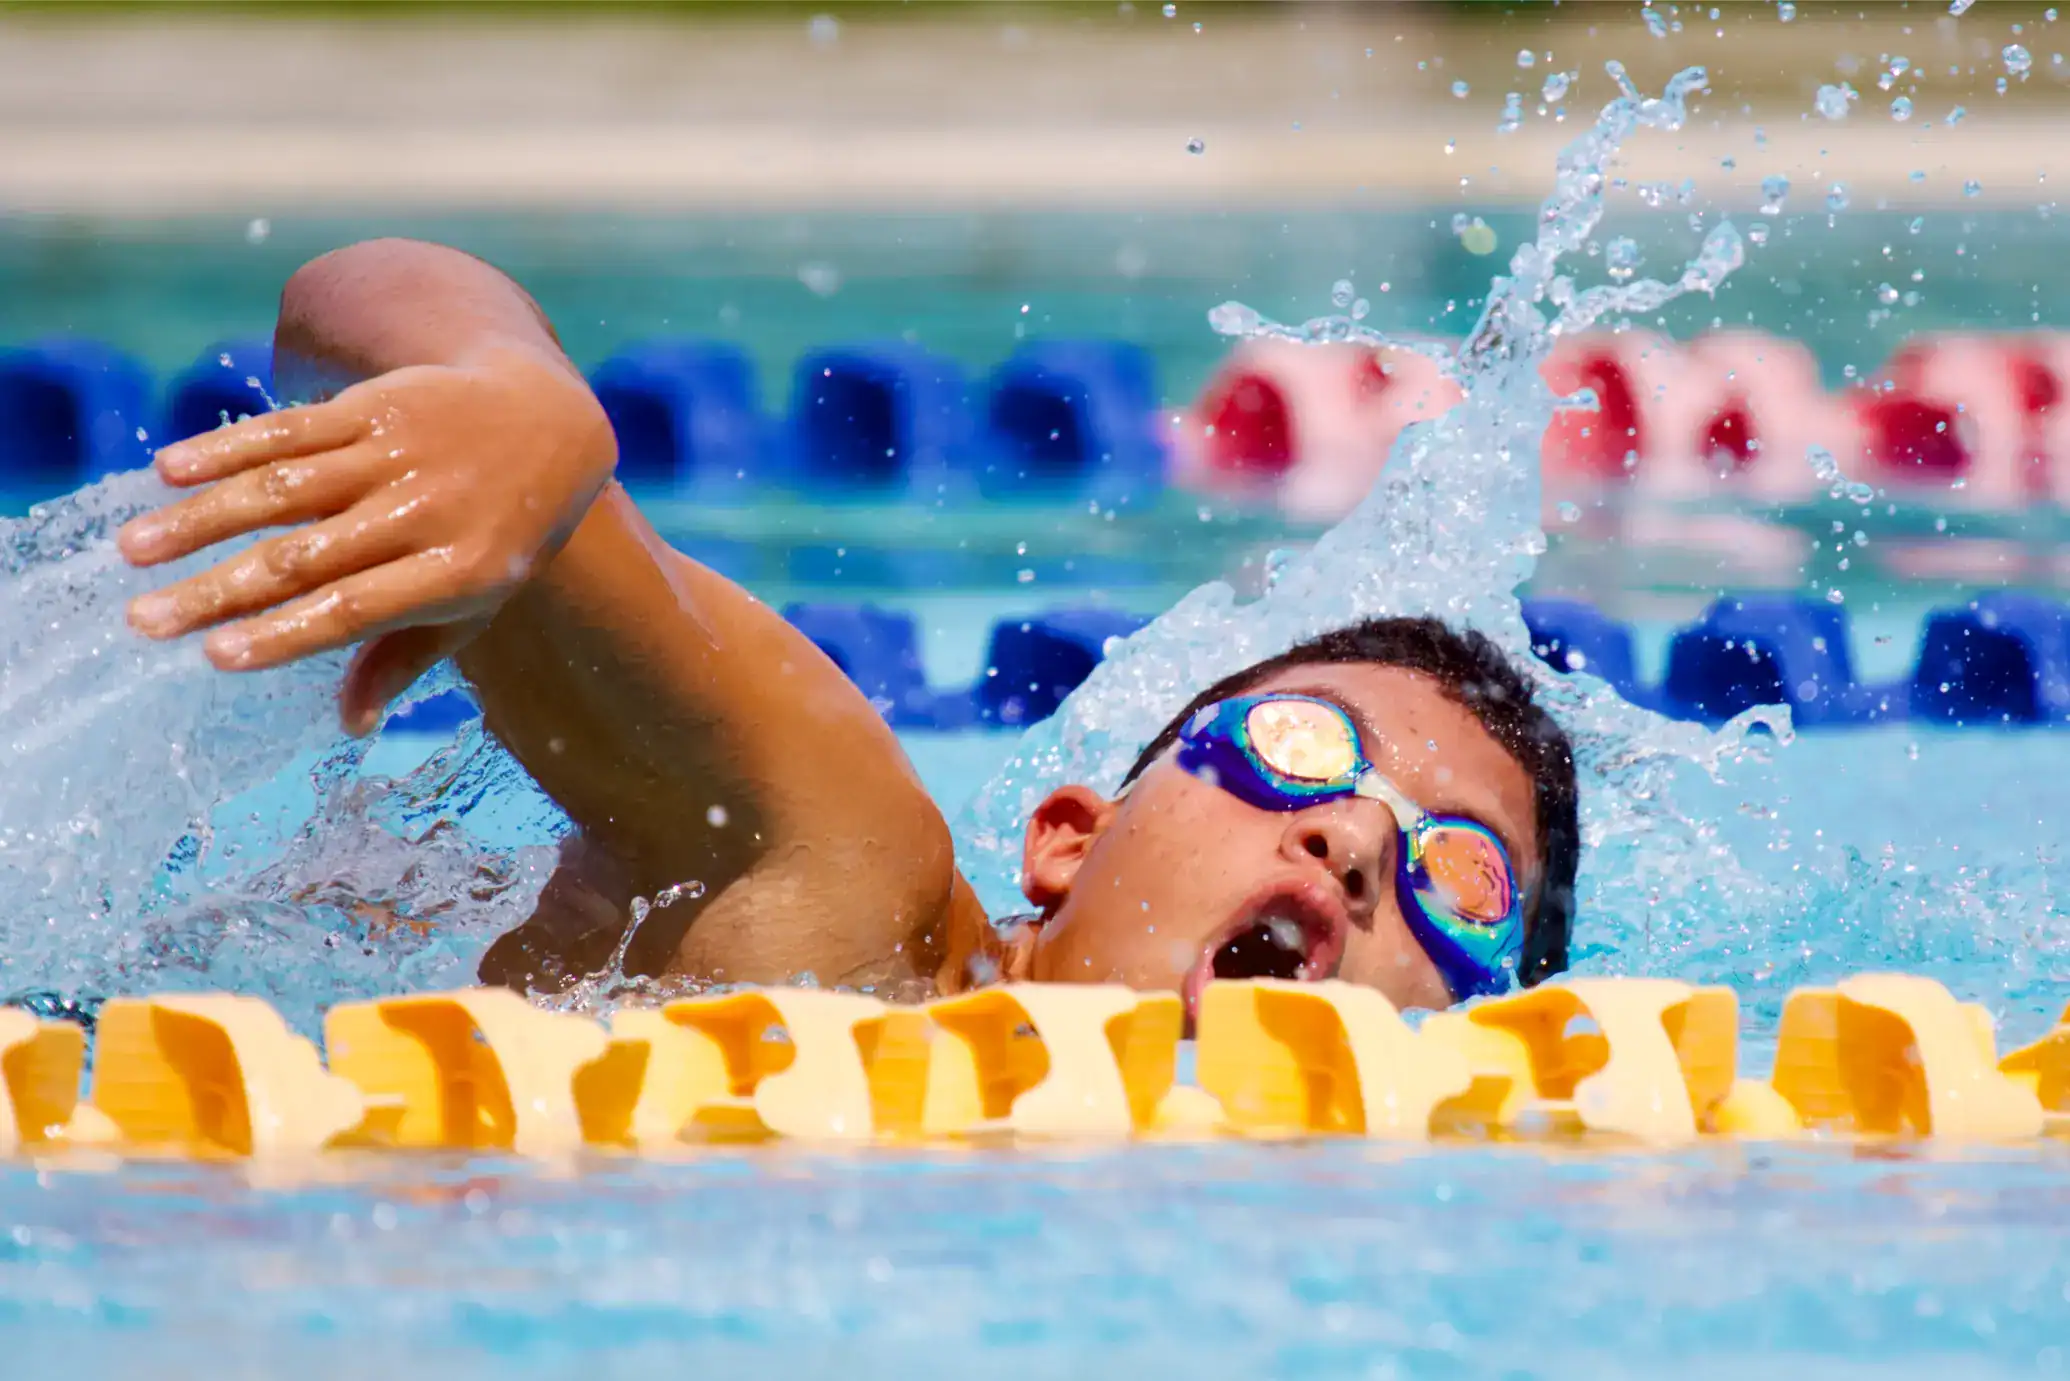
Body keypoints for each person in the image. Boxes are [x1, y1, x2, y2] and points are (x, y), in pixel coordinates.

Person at [115, 239, 1579, 1021]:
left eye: (1464, 871)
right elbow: (356, 288)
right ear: (1065, 839)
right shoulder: (840, 894)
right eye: (1296, 749)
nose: (1356, 839)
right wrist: (510, 395)